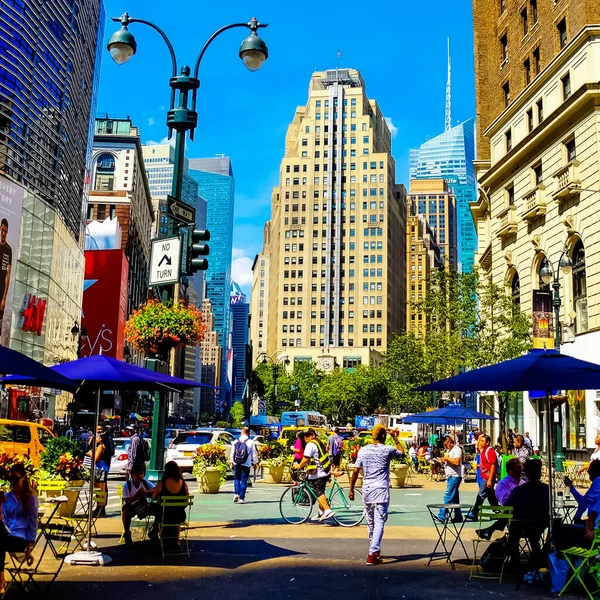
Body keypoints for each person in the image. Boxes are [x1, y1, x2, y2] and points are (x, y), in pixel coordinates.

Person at [349, 424, 404, 565]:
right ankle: (373, 552)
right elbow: (402, 453)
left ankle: (374, 548)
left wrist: (351, 488)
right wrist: (396, 438)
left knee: (371, 521)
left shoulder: (363, 450)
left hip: (367, 489)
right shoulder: (387, 450)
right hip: (380, 489)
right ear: (383, 436)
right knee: (379, 521)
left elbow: (356, 470)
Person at [505, 459, 549, 568]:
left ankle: (514, 560)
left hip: (523, 525)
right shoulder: (546, 489)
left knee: (513, 531)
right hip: (540, 524)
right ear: (539, 473)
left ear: (527, 473)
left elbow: (507, 507)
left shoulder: (518, 490)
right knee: (533, 534)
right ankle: (538, 554)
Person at [0, 463, 37, 594]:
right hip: (5, 535)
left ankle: (1, 579)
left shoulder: (31, 498)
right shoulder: (6, 498)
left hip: (20, 538)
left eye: (16, 479)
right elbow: (2, 520)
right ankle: (1, 577)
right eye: (10, 479)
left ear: (23, 478)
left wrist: (30, 546)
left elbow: (33, 523)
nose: (13, 482)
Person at [475, 457, 523, 540]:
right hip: (514, 518)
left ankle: (491, 529)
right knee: (510, 509)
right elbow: (505, 502)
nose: (521, 469)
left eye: (522, 467)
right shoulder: (503, 484)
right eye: (518, 467)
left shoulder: (523, 483)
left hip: (525, 517)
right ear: (510, 470)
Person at [293, 428, 334, 522]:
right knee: (321, 491)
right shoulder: (318, 442)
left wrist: (299, 465)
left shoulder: (310, 444)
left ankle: (327, 510)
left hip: (319, 473)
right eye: (304, 436)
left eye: (307, 435)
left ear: (312, 435)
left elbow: (306, 458)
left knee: (317, 491)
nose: (305, 437)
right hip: (325, 471)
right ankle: (320, 511)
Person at [151, 461, 189, 549]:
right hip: (180, 516)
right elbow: (186, 501)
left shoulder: (162, 484)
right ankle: (176, 541)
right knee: (173, 514)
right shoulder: (184, 484)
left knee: (156, 508)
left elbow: (153, 497)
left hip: (165, 516)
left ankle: (155, 531)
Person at [121, 464, 155, 547]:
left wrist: (147, 493)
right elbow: (127, 502)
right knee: (126, 512)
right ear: (132, 475)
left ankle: (154, 532)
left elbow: (155, 489)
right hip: (131, 507)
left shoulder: (145, 483)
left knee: (157, 510)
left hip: (143, 507)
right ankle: (127, 533)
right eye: (136, 474)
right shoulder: (127, 486)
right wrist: (139, 493)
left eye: (141, 474)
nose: (139, 476)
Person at [467, 434, 499, 520]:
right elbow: (479, 448)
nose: (480, 443)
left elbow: (493, 466)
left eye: (482, 441)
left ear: (487, 442)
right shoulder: (483, 450)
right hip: (485, 476)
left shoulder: (490, 451)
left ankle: (474, 513)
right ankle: (498, 511)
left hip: (488, 477)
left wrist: (490, 480)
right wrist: (479, 466)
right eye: (480, 441)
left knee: (481, 494)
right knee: (491, 495)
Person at [87, 424, 112, 517]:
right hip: (100, 468)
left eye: (100, 430)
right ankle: (100, 507)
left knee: (100, 489)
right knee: (101, 488)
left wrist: (90, 454)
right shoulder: (97, 442)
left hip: (100, 468)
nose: (98, 432)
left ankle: (100, 507)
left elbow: (96, 458)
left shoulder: (101, 445)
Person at [437, 436, 464, 522]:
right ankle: (458, 516)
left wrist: (446, 459)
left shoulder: (457, 449)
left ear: (450, 442)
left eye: (446, 445)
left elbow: (456, 462)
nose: (445, 447)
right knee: (455, 498)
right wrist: (443, 460)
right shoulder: (449, 450)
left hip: (454, 476)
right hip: (450, 476)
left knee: (448, 496)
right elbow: (449, 460)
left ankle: (442, 515)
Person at [231, 426, 258, 504]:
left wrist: (232, 461)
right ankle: (242, 498)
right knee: (244, 480)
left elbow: (232, 453)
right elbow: (254, 454)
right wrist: (255, 463)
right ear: (248, 433)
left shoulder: (236, 441)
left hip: (237, 463)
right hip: (246, 463)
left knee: (237, 478)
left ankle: (236, 493)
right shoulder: (251, 442)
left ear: (242, 432)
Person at [0, 218, 12, 339]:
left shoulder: (8, 249)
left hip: (1, 289)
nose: (3, 233)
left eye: (5, 231)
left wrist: (4, 297)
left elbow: (8, 274)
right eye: (2, 230)